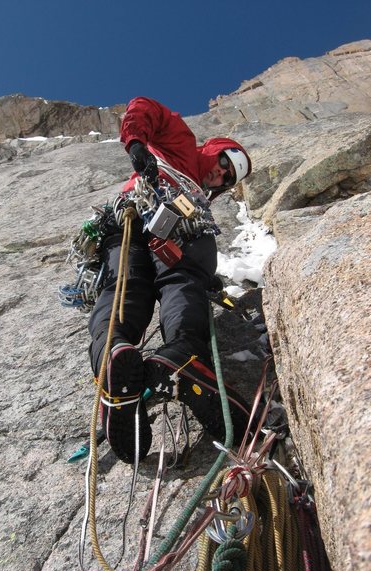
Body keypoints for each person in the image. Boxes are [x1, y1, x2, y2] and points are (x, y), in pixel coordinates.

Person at [88, 96, 253, 463]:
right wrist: (135, 143)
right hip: (177, 222)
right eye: (226, 162)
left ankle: (113, 357)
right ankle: (180, 356)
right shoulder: (181, 146)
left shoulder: (192, 171)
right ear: (213, 150)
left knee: (124, 289)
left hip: (128, 223)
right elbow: (146, 107)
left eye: (229, 178)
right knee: (179, 282)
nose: (222, 175)